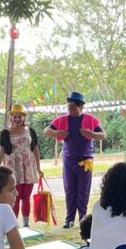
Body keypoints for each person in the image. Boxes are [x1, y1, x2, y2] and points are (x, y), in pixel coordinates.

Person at [45, 92, 106, 228]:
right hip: (68, 159)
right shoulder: (62, 120)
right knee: (70, 189)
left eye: (73, 108)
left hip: (86, 160)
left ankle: (82, 218)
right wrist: (56, 133)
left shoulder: (90, 119)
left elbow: (103, 135)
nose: (70, 111)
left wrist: (92, 134)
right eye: (69, 108)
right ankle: (69, 219)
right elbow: (46, 131)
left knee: (83, 189)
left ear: (80, 107)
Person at [0, 104, 43, 226]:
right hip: (12, 168)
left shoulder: (30, 131)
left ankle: (26, 224)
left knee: (26, 196)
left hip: (28, 167)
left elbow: (35, 150)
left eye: (20, 117)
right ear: (11, 118)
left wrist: (38, 169)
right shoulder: (5, 133)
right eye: (15, 117)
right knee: (14, 197)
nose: (17, 119)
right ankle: (13, 224)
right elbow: (1, 151)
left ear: (24, 118)